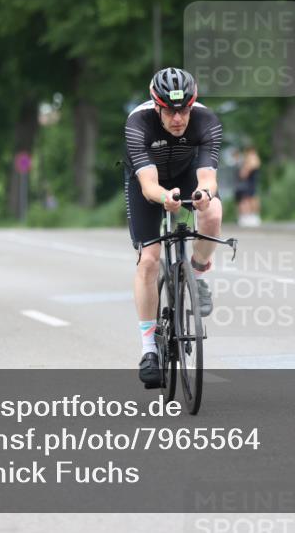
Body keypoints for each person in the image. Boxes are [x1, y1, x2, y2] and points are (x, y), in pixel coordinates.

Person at [123, 67, 223, 388]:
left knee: (214, 213)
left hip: (186, 174)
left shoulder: (207, 121)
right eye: (170, 111)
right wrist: (165, 198)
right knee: (149, 259)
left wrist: (204, 195)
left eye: (184, 110)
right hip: (148, 182)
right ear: (157, 107)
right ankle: (149, 349)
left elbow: (208, 178)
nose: (178, 118)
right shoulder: (138, 123)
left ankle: (195, 271)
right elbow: (149, 185)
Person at [234, 143, 261, 226]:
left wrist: (244, 168)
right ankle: (250, 216)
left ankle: (248, 216)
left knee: (247, 199)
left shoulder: (251, 158)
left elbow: (243, 174)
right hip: (251, 182)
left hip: (248, 183)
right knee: (251, 198)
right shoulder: (255, 158)